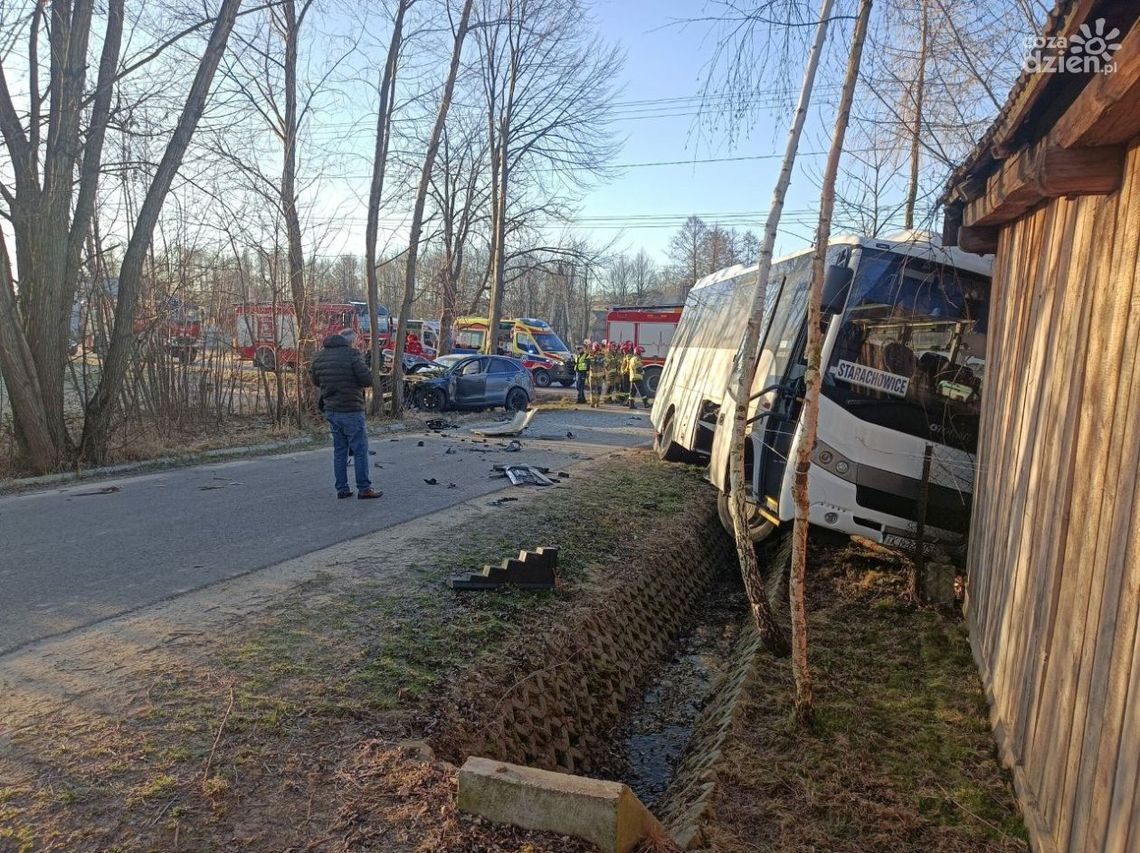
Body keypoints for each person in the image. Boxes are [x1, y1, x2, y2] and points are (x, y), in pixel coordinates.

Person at [309, 330, 382, 500]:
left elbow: (315, 380)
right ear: (349, 341)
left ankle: (342, 488)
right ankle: (364, 488)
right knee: (360, 450)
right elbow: (366, 380)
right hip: (351, 409)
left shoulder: (320, 357)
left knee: (340, 450)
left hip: (331, 409)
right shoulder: (352, 355)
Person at [588, 343, 607, 408]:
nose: (597, 351)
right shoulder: (590, 355)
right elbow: (590, 364)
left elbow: (604, 364)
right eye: (595, 349)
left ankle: (597, 403)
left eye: (597, 349)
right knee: (593, 390)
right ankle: (593, 403)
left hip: (600, 376)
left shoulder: (602, 355)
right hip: (592, 376)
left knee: (599, 390)